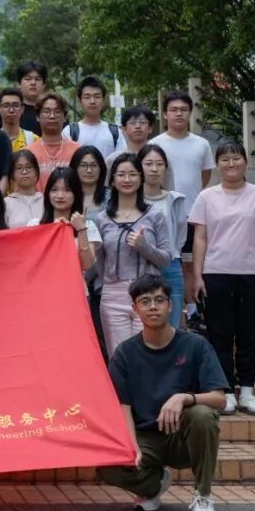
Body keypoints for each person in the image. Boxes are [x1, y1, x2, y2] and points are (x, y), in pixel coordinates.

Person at [96, 274, 226, 511]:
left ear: (170, 305)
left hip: (183, 438)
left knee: (203, 415)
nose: (153, 307)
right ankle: (153, 485)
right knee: (108, 465)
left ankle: (203, 497)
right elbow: (123, 406)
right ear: (135, 309)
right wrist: (131, 447)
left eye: (159, 300)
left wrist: (184, 398)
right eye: (145, 301)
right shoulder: (125, 353)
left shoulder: (195, 345)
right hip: (146, 438)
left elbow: (219, 399)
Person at [189, 141, 255, 417]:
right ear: (217, 165)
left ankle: (248, 392)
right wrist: (197, 275)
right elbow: (200, 238)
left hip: (253, 274)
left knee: (250, 335)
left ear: (246, 162)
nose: (231, 163)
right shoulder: (206, 197)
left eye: (236, 158)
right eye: (225, 159)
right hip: (215, 273)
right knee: (219, 335)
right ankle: (226, 391)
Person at [96, 154, 172, 358]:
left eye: (132, 174)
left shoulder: (155, 214)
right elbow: (100, 261)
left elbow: (166, 258)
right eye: (121, 174)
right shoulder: (102, 218)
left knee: (148, 353)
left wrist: (144, 247)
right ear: (112, 180)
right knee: (118, 355)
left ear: (141, 178)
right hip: (113, 293)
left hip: (148, 293)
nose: (127, 179)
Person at [151, 91, 215, 306]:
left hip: (193, 214)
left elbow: (205, 175)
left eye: (183, 110)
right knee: (166, 264)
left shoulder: (201, 144)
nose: (178, 114)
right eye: (173, 110)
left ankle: (194, 311)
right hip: (162, 215)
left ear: (190, 113)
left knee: (190, 264)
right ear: (165, 114)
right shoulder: (155, 144)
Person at [35, 167, 103, 356]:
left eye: (67, 190)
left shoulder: (88, 226)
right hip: (42, 297)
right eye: (54, 190)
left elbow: (87, 264)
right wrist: (52, 232)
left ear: (76, 194)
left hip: (76, 295)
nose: (60, 195)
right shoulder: (35, 225)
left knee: (75, 348)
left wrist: (80, 230)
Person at [139, 144, 188, 329]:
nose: (154, 169)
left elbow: (180, 236)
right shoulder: (130, 199)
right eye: (148, 163)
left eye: (159, 164)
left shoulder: (175, 199)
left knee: (171, 325)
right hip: (139, 266)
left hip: (170, 265)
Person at [107, 105, 174, 190]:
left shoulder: (160, 159)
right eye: (132, 123)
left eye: (143, 122)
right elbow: (106, 191)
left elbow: (169, 190)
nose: (138, 126)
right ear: (124, 129)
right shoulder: (112, 159)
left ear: (150, 128)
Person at [30, 92, 81, 191]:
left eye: (57, 111)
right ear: (37, 117)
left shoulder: (78, 151)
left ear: (64, 117)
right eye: (47, 111)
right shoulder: (29, 153)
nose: (52, 116)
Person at [64, 76, 124, 158]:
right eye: (87, 97)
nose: (92, 101)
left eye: (97, 97)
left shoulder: (115, 132)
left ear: (103, 100)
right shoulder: (69, 132)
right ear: (79, 101)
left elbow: (121, 160)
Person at [0, 60, 47, 134]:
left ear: (44, 85)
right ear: (19, 83)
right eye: (28, 79)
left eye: (38, 79)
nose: (33, 83)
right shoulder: (8, 113)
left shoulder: (52, 112)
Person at [4, 150, 43, 228]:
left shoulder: (47, 201)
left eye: (29, 167)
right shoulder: (5, 203)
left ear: (36, 171)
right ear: (12, 174)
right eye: (19, 168)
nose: (24, 172)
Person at [70, 146, 109, 220]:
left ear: (101, 168)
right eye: (83, 165)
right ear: (75, 168)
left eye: (94, 165)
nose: (89, 170)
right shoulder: (67, 195)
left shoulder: (111, 197)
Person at [0, 87, 38, 152]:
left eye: (15, 105)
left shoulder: (34, 140)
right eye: (6, 106)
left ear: (22, 109)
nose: (11, 110)